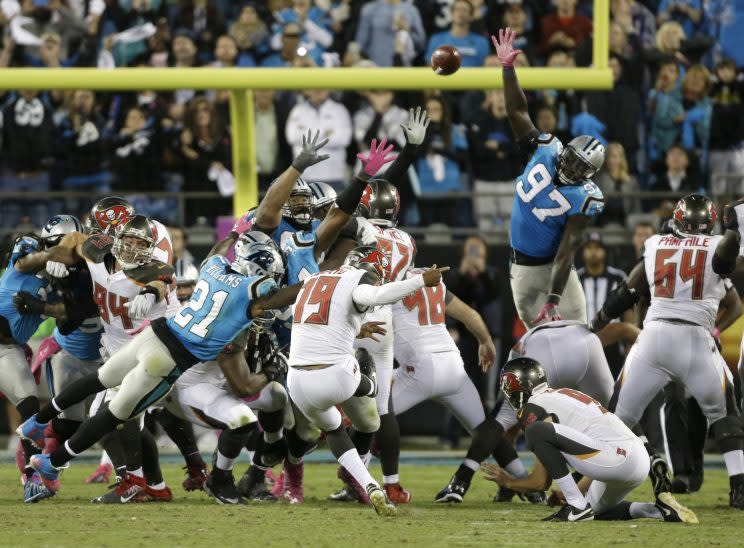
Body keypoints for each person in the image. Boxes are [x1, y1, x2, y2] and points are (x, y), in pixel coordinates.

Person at [18, 231, 302, 499]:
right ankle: (52, 463)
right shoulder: (255, 291)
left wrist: (230, 237)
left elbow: (214, 254)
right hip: (170, 359)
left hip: (156, 332)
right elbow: (280, 297)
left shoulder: (214, 269)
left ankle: (37, 421)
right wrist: (310, 282)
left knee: (101, 379)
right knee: (116, 413)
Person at [590, 193, 744, 510]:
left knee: (618, 416)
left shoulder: (656, 244)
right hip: (696, 340)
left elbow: (628, 291)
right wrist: (733, 231)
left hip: (654, 338)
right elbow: (726, 260)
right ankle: (739, 487)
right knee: (725, 415)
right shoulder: (716, 244)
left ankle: (595, 490)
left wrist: (600, 319)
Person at [287, 244, 448, 516]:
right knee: (365, 366)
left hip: (297, 382)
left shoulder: (314, 279)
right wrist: (421, 280)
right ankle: (369, 384)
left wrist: (356, 327)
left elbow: (311, 320)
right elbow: (376, 294)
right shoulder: (357, 280)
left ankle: (370, 485)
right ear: (372, 270)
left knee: (336, 430)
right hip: (336, 376)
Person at [483, 357, 698, 523]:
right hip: (634, 458)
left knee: (537, 431)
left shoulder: (533, 407)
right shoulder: (561, 394)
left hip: (615, 457)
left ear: (516, 388)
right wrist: (575, 490)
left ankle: (576, 507)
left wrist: (508, 481)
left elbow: (541, 482)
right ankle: (657, 510)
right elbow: (592, 450)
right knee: (594, 512)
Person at [434, 319, 619, 504]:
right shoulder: (561, 402)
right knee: (617, 417)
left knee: (512, 424)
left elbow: (540, 482)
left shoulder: (538, 409)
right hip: (589, 342)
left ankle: (461, 480)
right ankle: (645, 451)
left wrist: (511, 482)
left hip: (542, 348)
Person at [492, 28, 605, 328]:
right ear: (565, 150)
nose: (572, 168)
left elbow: (568, 249)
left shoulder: (585, 197)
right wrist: (507, 69)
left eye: (581, 168)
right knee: (539, 343)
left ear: (590, 175)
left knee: (580, 335)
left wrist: (554, 298)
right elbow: (516, 110)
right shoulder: (544, 150)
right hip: (522, 267)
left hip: (556, 269)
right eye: (572, 159)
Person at [576, 233, 631, 378]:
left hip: (613, 343)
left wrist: (629, 344)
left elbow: (629, 313)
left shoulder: (618, 277)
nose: (593, 252)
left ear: (604, 251)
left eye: (597, 248)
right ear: (583, 252)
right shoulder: (575, 279)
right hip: (583, 342)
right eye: (589, 248)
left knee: (614, 386)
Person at [285, 91, 352, 189]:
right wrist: (326, 133)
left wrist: (306, 131)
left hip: (334, 177)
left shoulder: (340, 110)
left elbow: (344, 139)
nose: (318, 89)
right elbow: (292, 136)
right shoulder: (298, 110)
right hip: (304, 178)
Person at [709, 59, 744, 197]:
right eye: (722, 70)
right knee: (719, 188)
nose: (725, 73)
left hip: (739, 144)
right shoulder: (712, 89)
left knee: (740, 185)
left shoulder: (741, 88)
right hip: (717, 145)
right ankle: (718, 217)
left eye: (728, 69)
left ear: (735, 71)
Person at [355, 0, 425, 67]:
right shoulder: (370, 9)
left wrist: (407, 30)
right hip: (376, 68)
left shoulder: (411, 10)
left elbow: (421, 44)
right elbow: (360, 44)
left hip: (403, 68)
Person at [425, 0, 489, 68]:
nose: (460, 13)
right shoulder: (436, 39)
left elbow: (485, 66)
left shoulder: (481, 42)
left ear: (471, 16)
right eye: (457, 9)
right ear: (451, 14)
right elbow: (429, 67)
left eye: (464, 10)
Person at [591, 142, 639, 227]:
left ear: (621, 159)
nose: (611, 160)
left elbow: (636, 209)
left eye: (614, 157)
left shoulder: (632, 181)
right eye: (608, 157)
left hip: (625, 224)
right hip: (602, 223)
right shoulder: (599, 178)